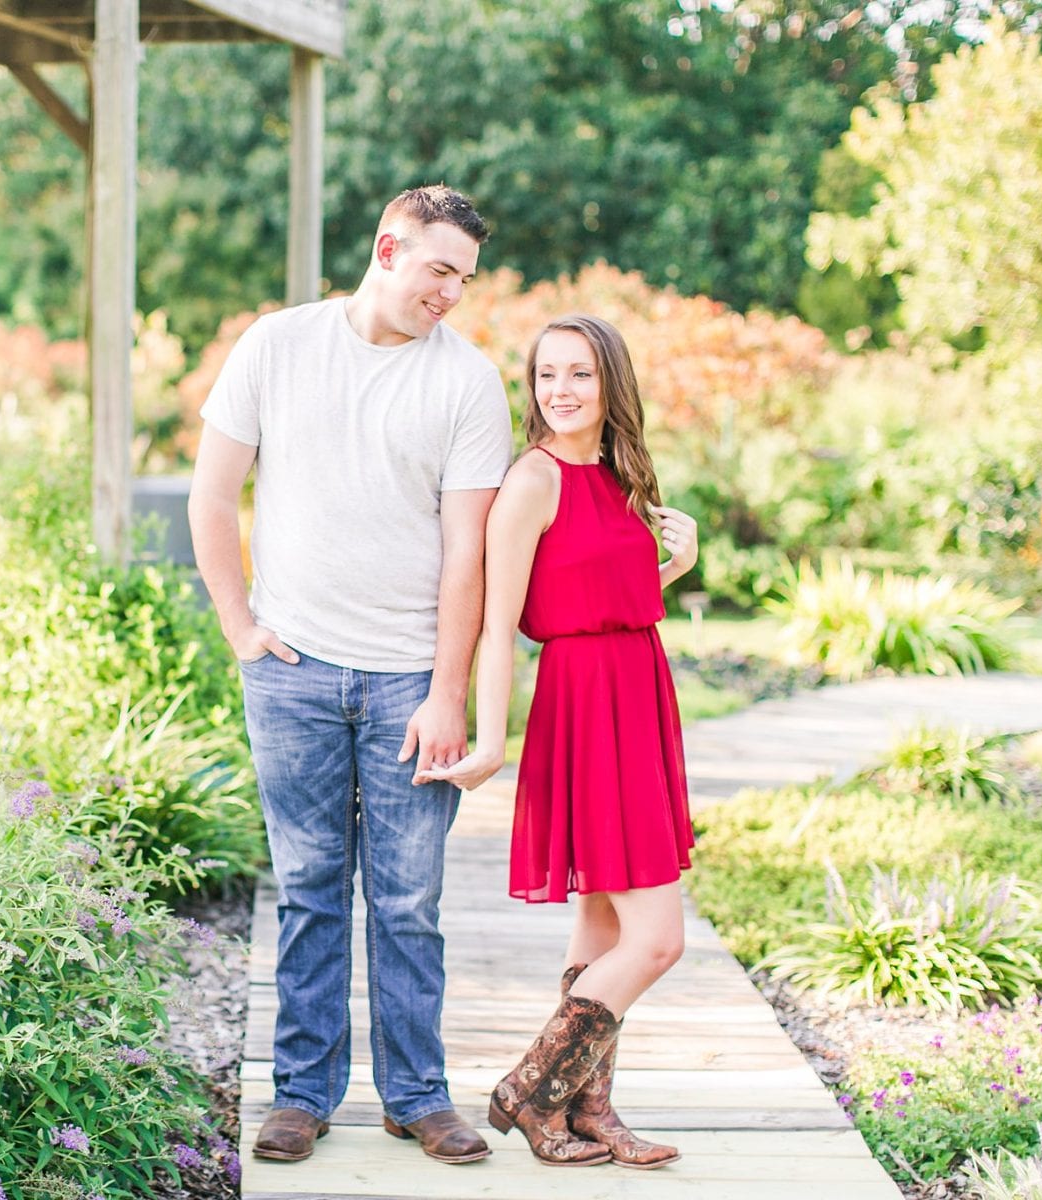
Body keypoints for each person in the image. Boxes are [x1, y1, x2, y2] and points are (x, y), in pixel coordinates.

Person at [187, 186, 514, 1166]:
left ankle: (418, 1095)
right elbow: (213, 493)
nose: (452, 292)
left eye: (464, 277)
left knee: (409, 898)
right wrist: (240, 626)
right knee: (310, 886)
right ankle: (301, 1094)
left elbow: (469, 555)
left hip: (410, 678)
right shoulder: (277, 346)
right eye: (439, 270)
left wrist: (447, 690)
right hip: (291, 671)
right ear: (388, 248)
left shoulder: (467, 382)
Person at [419, 313, 699, 1168]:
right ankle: (532, 1088)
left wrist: (673, 571)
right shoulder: (532, 481)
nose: (562, 391)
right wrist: (491, 736)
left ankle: (584, 1115)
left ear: (610, 381)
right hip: (584, 709)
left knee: (601, 927)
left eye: (579, 373)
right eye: (546, 375)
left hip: (639, 695)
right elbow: (501, 627)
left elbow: (609, 593)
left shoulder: (622, 474)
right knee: (657, 939)